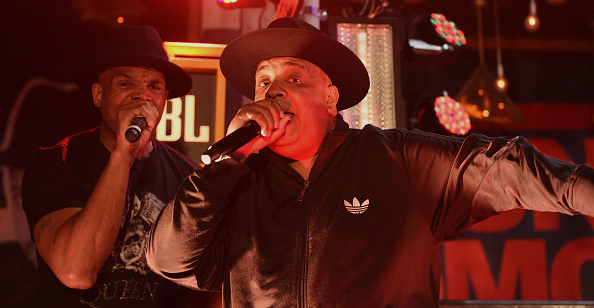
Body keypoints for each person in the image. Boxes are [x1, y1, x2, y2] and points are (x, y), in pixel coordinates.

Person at [145, 17, 594, 307]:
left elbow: (507, 168)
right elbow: (170, 261)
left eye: (294, 77)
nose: (274, 90)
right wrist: (228, 162)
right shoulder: (236, 183)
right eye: (264, 81)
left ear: (330, 97)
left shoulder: (396, 160)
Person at [21, 24, 199, 307]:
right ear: (98, 95)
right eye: (125, 84)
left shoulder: (188, 178)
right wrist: (123, 154)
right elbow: (75, 271)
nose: (142, 96)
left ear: (164, 98)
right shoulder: (55, 163)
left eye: (154, 86)